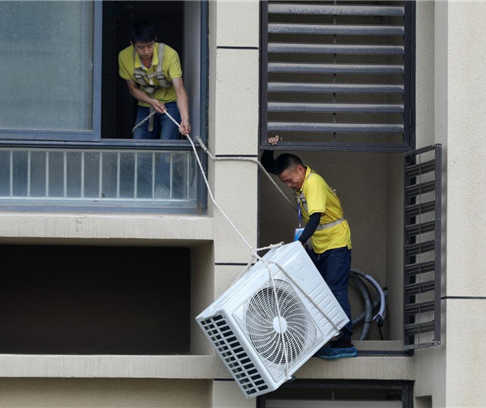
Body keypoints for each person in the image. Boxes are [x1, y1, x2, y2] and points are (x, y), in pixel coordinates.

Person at [262, 135, 357, 360]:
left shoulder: (313, 182)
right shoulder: (300, 181)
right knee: (319, 290)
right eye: (285, 181)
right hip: (320, 245)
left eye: (290, 180)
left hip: (336, 243)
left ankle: (345, 341)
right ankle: (328, 336)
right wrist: (269, 147)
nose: (289, 184)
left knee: (335, 289)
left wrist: (298, 243)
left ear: (300, 169)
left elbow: (315, 217)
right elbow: (269, 167)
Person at [118, 20, 191, 197]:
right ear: (132, 44)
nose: (146, 51)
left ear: (155, 41)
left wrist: (185, 119)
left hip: (171, 103)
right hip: (145, 104)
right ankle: (158, 186)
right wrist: (151, 101)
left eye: (150, 46)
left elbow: (180, 90)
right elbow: (132, 89)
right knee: (139, 150)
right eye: (141, 47)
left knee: (166, 147)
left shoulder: (169, 54)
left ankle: (162, 190)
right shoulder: (124, 56)